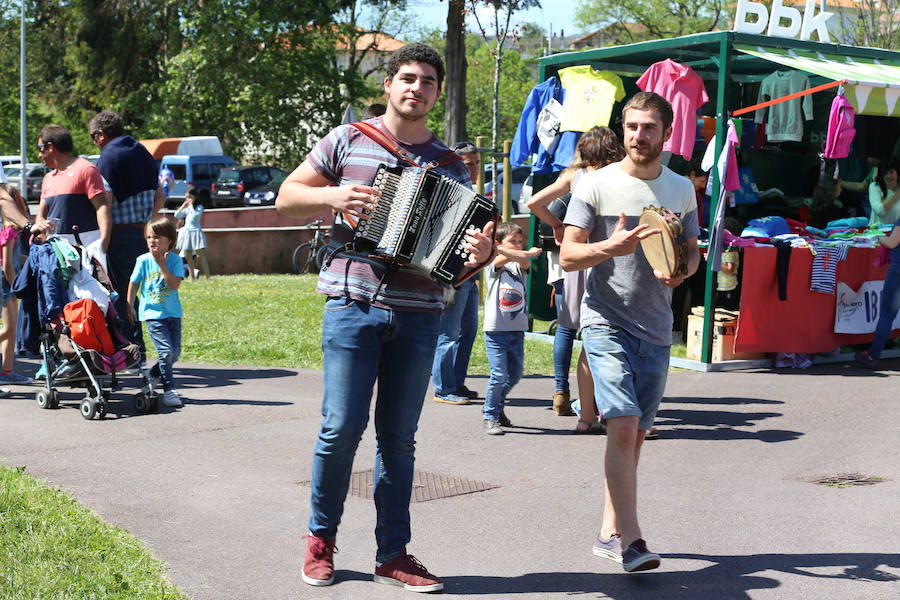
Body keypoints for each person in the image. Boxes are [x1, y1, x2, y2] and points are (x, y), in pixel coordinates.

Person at [275, 43, 494, 592]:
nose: (415, 88)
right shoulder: (348, 138)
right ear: (389, 86)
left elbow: (454, 264)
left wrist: (481, 255)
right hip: (353, 304)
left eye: (426, 81)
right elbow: (285, 197)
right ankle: (320, 542)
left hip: (419, 314)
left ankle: (393, 554)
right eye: (407, 78)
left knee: (399, 438)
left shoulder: (450, 167)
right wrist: (335, 195)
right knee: (340, 429)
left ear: (437, 93)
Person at [560, 91, 700, 572]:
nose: (639, 136)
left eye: (649, 128)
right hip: (606, 321)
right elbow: (568, 255)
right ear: (623, 129)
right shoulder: (595, 185)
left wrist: (683, 270)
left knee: (634, 437)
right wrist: (608, 248)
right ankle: (634, 542)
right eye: (632, 127)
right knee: (620, 423)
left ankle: (608, 530)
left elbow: (694, 250)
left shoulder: (681, 189)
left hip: (657, 327)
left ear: (667, 132)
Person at [527, 126, 624, 428]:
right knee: (605, 335)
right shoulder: (618, 176)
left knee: (568, 329)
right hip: (604, 260)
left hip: (574, 259)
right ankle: (601, 406)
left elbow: (533, 203)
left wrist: (557, 225)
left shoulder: (574, 175)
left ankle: (562, 392)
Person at [90, 110, 165, 354]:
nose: (94, 141)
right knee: (146, 291)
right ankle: (152, 345)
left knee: (122, 294)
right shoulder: (142, 151)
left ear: (101, 134)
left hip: (118, 235)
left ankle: (131, 347)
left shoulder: (108, 158)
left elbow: (106, 201)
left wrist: (101, 239)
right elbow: (160, 194)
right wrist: (148, 220)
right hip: (143, 234)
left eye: (93, 137)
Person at [432, 140, 482, 405]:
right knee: (448, 333)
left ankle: (457, 382)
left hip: (471, 273)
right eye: (468, 164)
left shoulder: (473, 191)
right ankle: (443, 388)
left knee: (468, 331)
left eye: (476, 163)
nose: (473, 168)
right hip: (453, 274)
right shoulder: (452, 193)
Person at [481, 222, 541, 435]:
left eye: (520, 241)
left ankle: (496, 406)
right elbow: (499, 255)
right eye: (512, 242)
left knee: (514, 374)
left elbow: (524, 259)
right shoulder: (493, 264)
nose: (518, 245)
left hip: (516, 330)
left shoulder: (520, 263)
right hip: (496, 330)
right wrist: (524, 251)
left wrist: (523, 252)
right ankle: (490, 415)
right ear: (498, 243)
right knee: (498, 375)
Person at [126, 217, 185, 408]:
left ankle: (151, 375)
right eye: (149, 237)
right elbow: (134, 282)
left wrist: (162, 265)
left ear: (170, 240)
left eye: (158, 237)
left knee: (174, 354)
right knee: (166, 352)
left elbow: (174, 285)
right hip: (152, 315)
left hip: (173, 314)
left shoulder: (175, 260)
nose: (152, 241)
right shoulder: (142, 260)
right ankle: (169, 390)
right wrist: (129, 304)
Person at [35, 125, 110, 272]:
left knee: (90, 296)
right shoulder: (48, 178)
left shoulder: (85, 170)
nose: (39, 155)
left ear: (50, 147)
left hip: (86, 250)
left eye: (40, 148)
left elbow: (102, 208)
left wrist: (102, 245)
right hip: (57, 252)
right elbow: (40, 215)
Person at [0, 184, 32, 384]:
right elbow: (7, 265)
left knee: (12, 331)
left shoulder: (10, 231)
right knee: (10, 328)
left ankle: (7, 371)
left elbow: (15, 258)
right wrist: (16, 287)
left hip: (8, 282)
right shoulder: (9, 231)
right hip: (6, 283)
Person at [175, 187, 212, 280]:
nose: (187, 200)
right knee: (188, 255)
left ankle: (208, 277)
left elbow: (195, 216)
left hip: (196, 232)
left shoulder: (199, 207)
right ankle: (192, 277)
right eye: (187, 198)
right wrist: (183, 206)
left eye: (189, 197)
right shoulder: (187, 208)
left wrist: (191, 205)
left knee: (199, 255)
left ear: (194, 197)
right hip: (187, 233)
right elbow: (177, 215)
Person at [866, 161, 900, 226]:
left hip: (896, 233)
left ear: (897, 174)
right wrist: (896, 195)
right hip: (875, 233)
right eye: (885, 173)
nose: (888, 176)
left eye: (891, 172)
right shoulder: (874, 187)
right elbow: (880, 211)